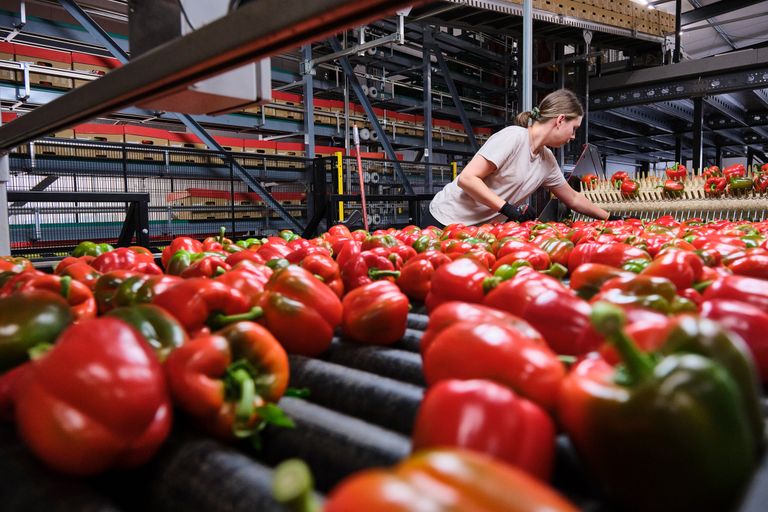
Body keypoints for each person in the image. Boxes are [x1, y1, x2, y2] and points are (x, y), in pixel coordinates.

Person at [421, 89, 617, 228]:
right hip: (445, 221)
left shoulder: (547, 160)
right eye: (574, 128)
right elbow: (468, 179)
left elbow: (573, 198)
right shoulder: (514, 137)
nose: (573, 136)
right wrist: (508, 209)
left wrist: (611, 218)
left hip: (478, 230)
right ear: (560, 120)